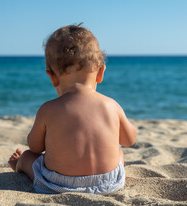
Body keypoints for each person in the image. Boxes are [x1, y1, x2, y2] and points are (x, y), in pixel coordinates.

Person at [8, 24, 137, 194]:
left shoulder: (48, 109)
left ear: (52, 77)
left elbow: (35, 147)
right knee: (119, 153)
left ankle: (18, 165)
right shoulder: (112, 105)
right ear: (100, 73)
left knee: (27, 157)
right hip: (109, 183)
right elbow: (129, 140)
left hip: (59, 184)